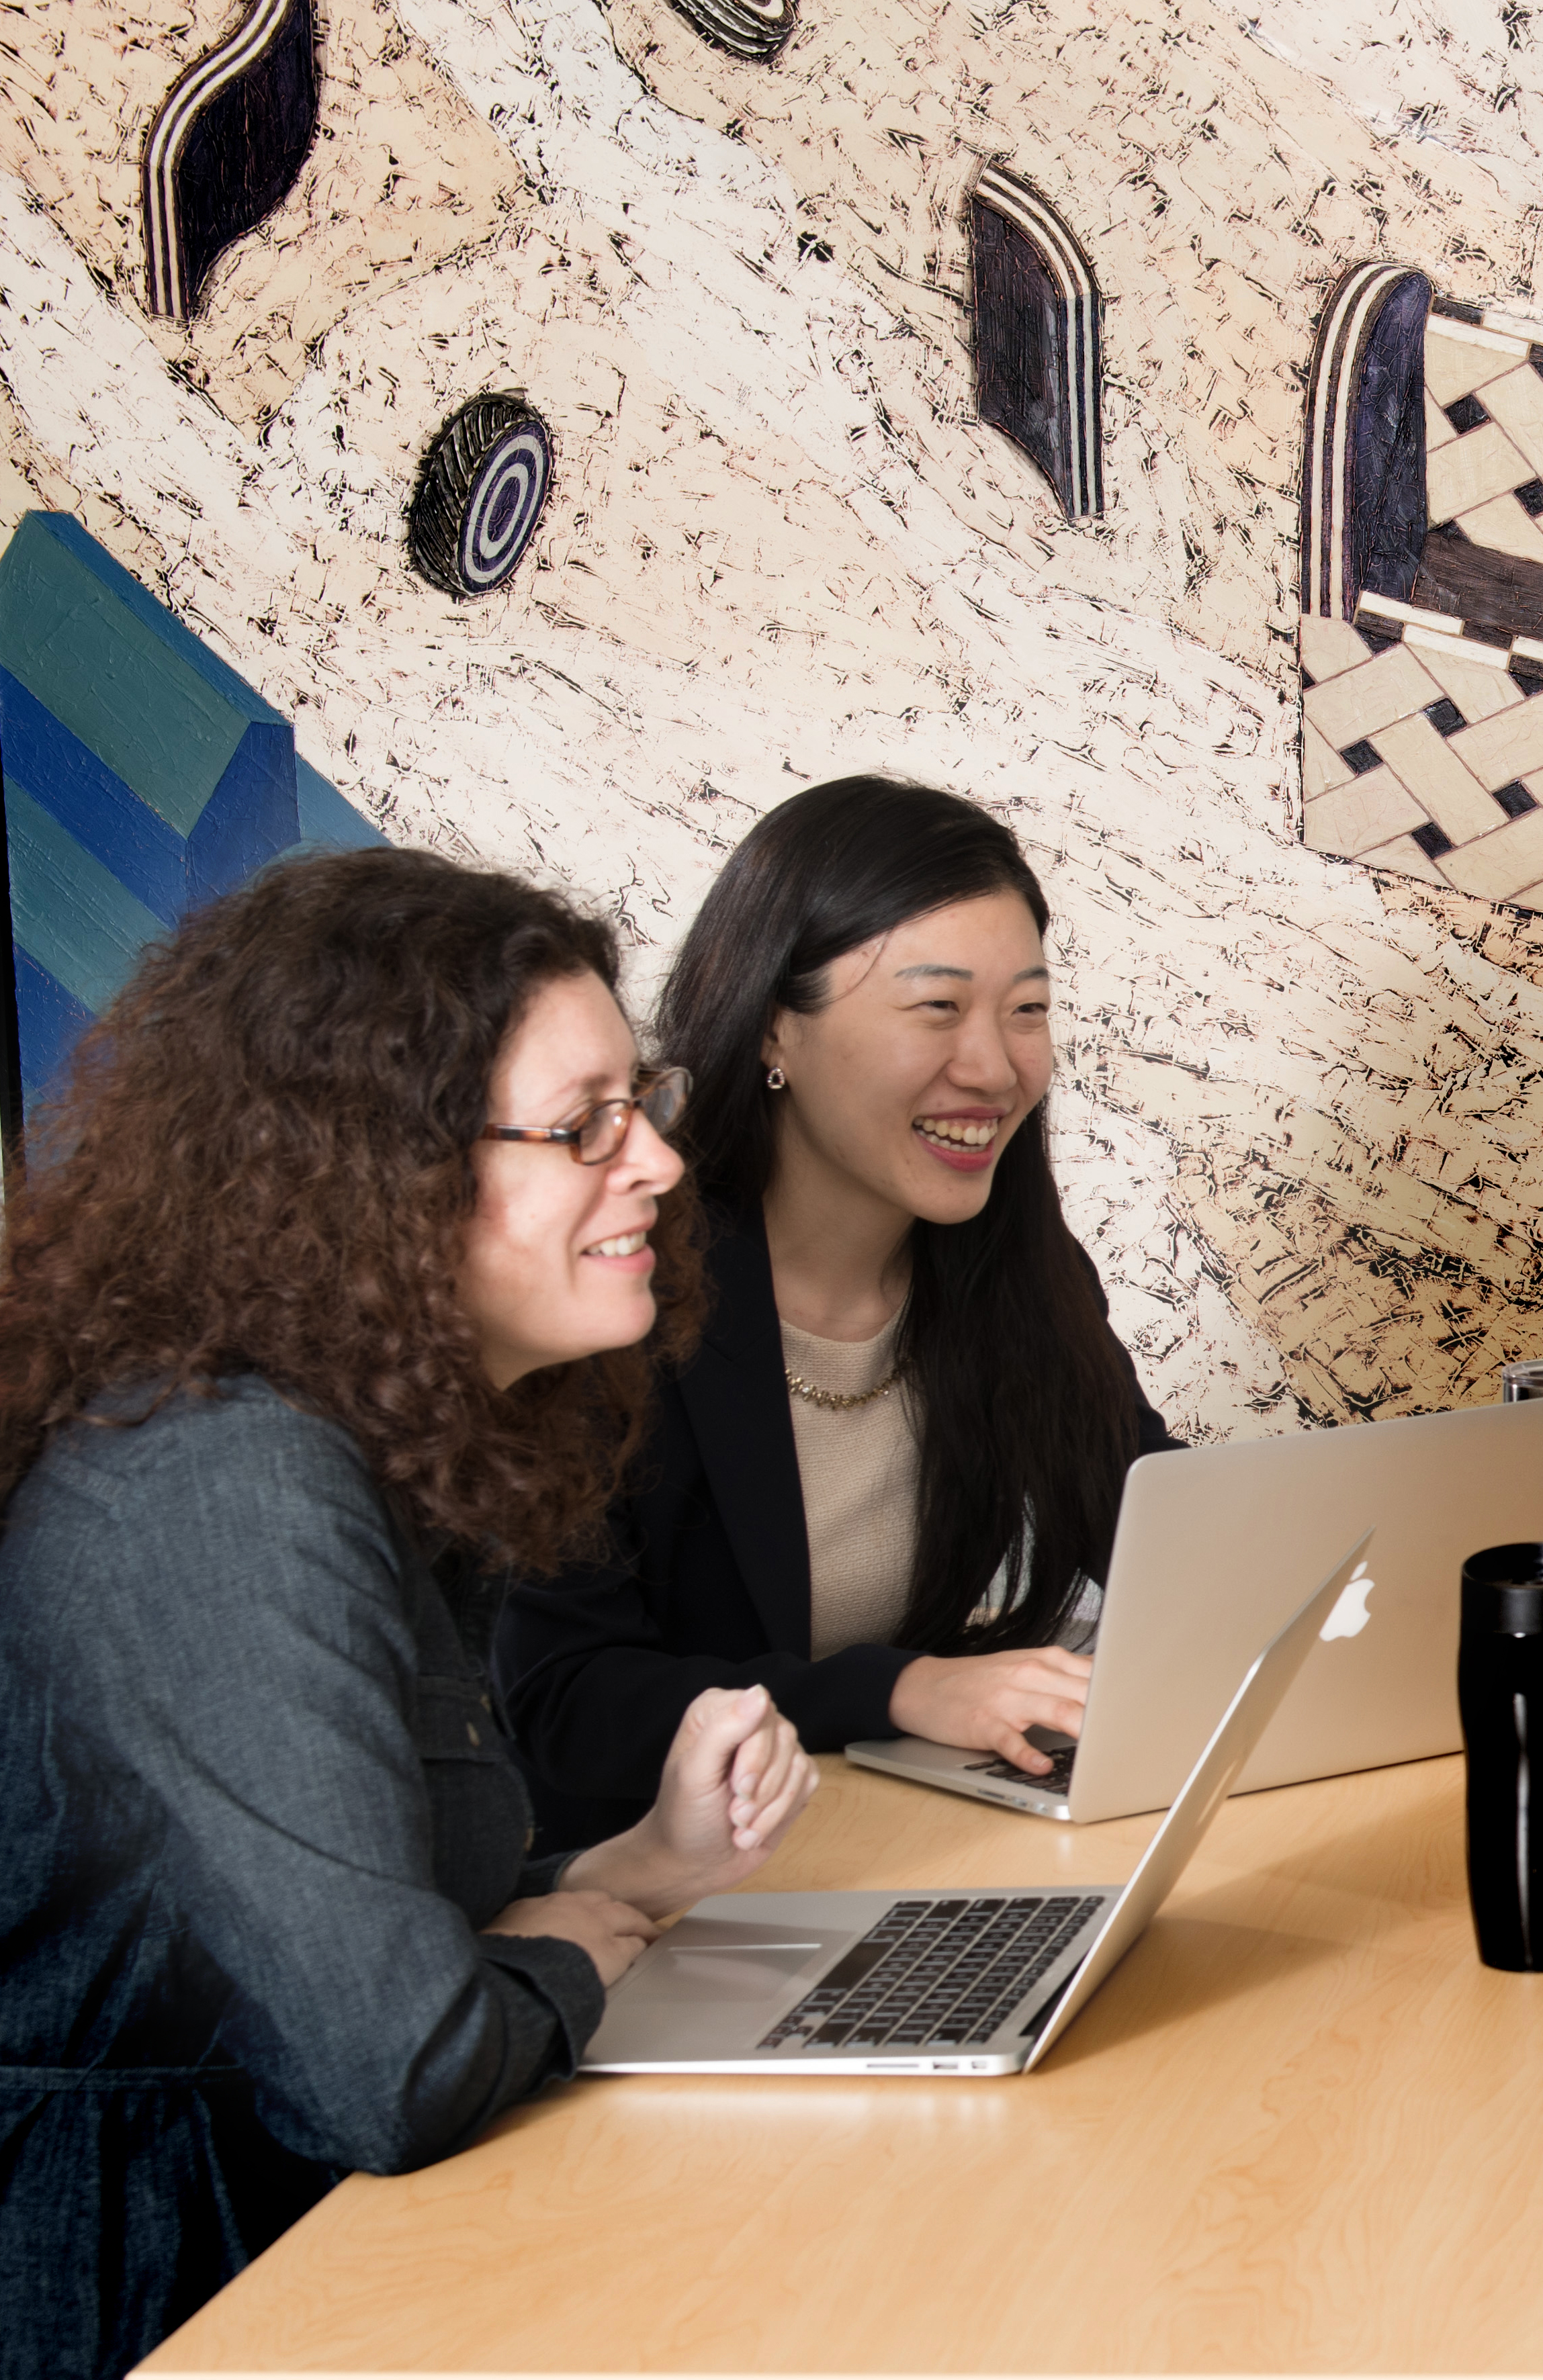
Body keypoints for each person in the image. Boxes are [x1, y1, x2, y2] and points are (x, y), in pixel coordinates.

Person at [0, 850, 814, 2380]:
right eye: (584, 1125)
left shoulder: (366, 1440)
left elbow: (336, 1901)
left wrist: (641, 1868)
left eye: (639, 1103)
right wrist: (572, 1961)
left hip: (228, 2226)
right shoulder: (225, 1481)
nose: (659, 1164)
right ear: (379, 1180)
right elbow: (391, 2068)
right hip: (71, 2294)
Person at [496, 776, 1172, 1843]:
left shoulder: (1016, 1267)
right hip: (649, 1895)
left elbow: (1157, 1524)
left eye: (1028, 1010)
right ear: (776, 1031)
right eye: (937, 1008)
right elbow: (567, 1700)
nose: (994, 1067)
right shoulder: (615, 1279)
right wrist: (893, 1692)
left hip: (880, 1852)